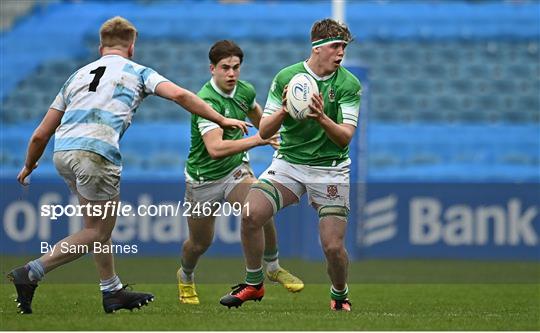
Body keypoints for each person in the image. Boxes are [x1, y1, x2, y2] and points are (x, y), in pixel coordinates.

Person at [9, 16, 249, 315]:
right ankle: (32, 272)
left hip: (64, 152)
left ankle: (111, 291)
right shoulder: (138, 71)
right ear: (132, 47)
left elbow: (41, 133)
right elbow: (179, 94)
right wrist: (221, 119)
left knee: (96, 227)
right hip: (96, 152)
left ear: (100, 47)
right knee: (97, 232)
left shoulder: (77, 76)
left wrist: (29, 165)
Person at [219, 19, 361, 311]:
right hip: (289, 163)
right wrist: (285, 109)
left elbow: (345, 137)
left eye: (343, 47)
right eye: (335, 46)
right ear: (317, 48)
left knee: (333, 247)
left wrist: (321, 117)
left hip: (330, 168)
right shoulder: (287, 77)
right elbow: (265, 132)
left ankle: (339, 293)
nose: (340, 53)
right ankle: (254, 284)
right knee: (250, 214)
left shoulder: (348, 83)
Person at [177, 40, 303, 305]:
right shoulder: (206, 101)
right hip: (203, 179)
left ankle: (272, 268)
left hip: (235, 171)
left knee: (259, 207)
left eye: (236, 67)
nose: (232, 73)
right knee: (199, 244)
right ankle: (186, 274)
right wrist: (258, 140)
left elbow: (261, 123)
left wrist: (282, 130)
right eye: (225, 68)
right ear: (212, 69)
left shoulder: (244, 91)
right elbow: (215, 148)